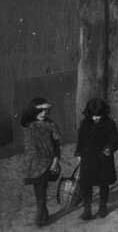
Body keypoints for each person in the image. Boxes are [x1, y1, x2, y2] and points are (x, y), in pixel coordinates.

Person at [75, 98, 118, 220]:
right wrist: (79, 154)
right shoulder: (85, 123)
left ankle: (103, 206)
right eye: (93, 116)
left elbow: (114, 140)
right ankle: (87, 208)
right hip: (88, 158)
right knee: (86, 183)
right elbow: (81, 140)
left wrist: (109, 149)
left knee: (103, 183)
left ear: (103, 113)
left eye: (98, 116)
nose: (95, 118)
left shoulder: (109, 124)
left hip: (103, 158)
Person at [20, 97, 61, 227]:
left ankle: (39, 215)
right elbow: (23, 116)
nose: (44, 113)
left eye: (46, 110)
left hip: (47, 161)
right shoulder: (28, 124)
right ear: (33, 111)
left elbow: (56, 146)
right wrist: (36, 106)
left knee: (41, 186)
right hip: (32, 163)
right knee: (37, 187)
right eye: (41, 110)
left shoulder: (51, 125)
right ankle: (44, 212)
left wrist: (55, 162)